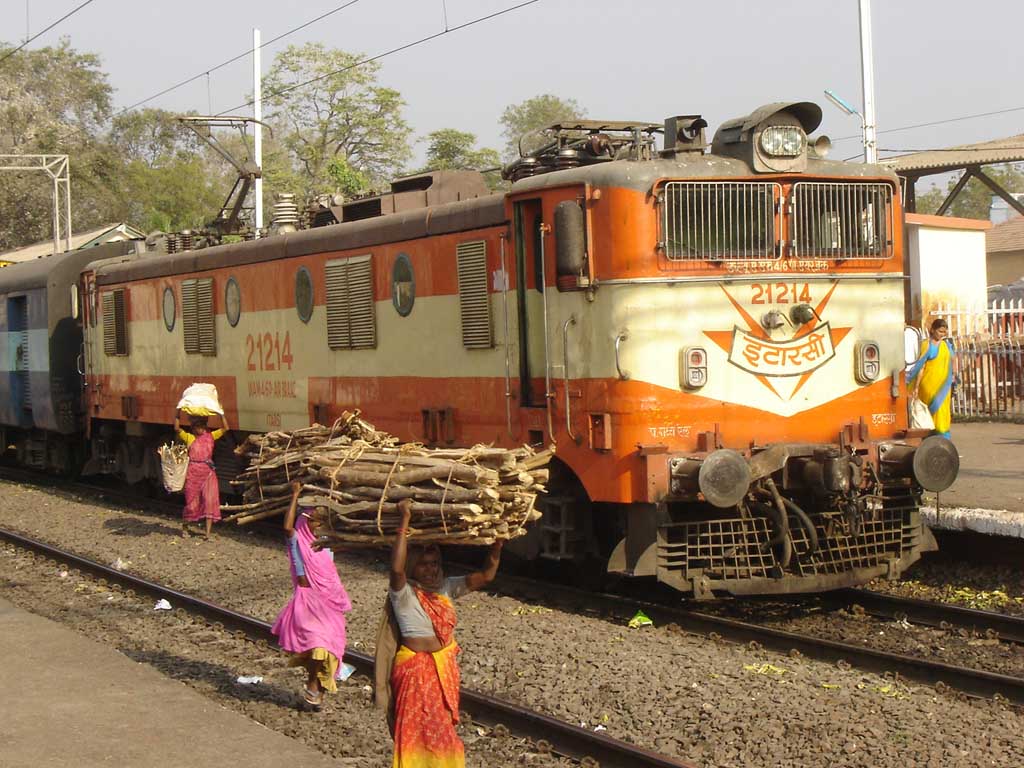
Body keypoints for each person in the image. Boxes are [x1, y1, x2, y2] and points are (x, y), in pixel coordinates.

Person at [375, 499, 503, 768]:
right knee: (416, 735)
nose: (431, 569)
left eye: (434, 563)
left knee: (442, 734)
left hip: (442, 673)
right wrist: (404, 521)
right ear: (413, 568)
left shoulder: (445, 588)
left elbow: (487, 576)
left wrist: (497, 546)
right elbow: (396, 569)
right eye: (423, 564)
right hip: (415, 673)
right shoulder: (404, 593)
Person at [271, 482, 352, 710]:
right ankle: (313, 683)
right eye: (315, 522)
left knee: (330, 647)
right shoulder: (297, 539)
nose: (318, 526)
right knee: (317, 644)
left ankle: (317, 685)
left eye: (321, 523)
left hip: (330, 599)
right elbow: (287, 527)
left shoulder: (324, 544)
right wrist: (295, 495)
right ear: (306, 522)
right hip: (308, 599)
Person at [174, 408, 229, 539]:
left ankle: (208, 534)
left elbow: (226, 428)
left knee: (210, 501)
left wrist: (221, 414)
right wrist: (177, 413)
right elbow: (176, 428)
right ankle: (185, 527)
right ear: (194, 428)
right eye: (199, 427)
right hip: (193, 472)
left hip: (208, 473)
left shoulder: (210, 437)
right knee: (191, 504)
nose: (202, 429)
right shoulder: (189, 438)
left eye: (203, 426)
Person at [908, 317, 956, 439]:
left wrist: (954, 375)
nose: (942, 334)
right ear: (933, 330)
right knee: (930, 412)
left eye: (944, 332)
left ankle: (943, 437)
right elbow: (921, 366)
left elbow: (952, 360)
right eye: (940, 331)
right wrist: (916, 387)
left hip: (944, 386)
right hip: (928, 385)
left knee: (943, 411)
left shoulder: (946, 345)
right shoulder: (926, 345)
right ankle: (932, 436)